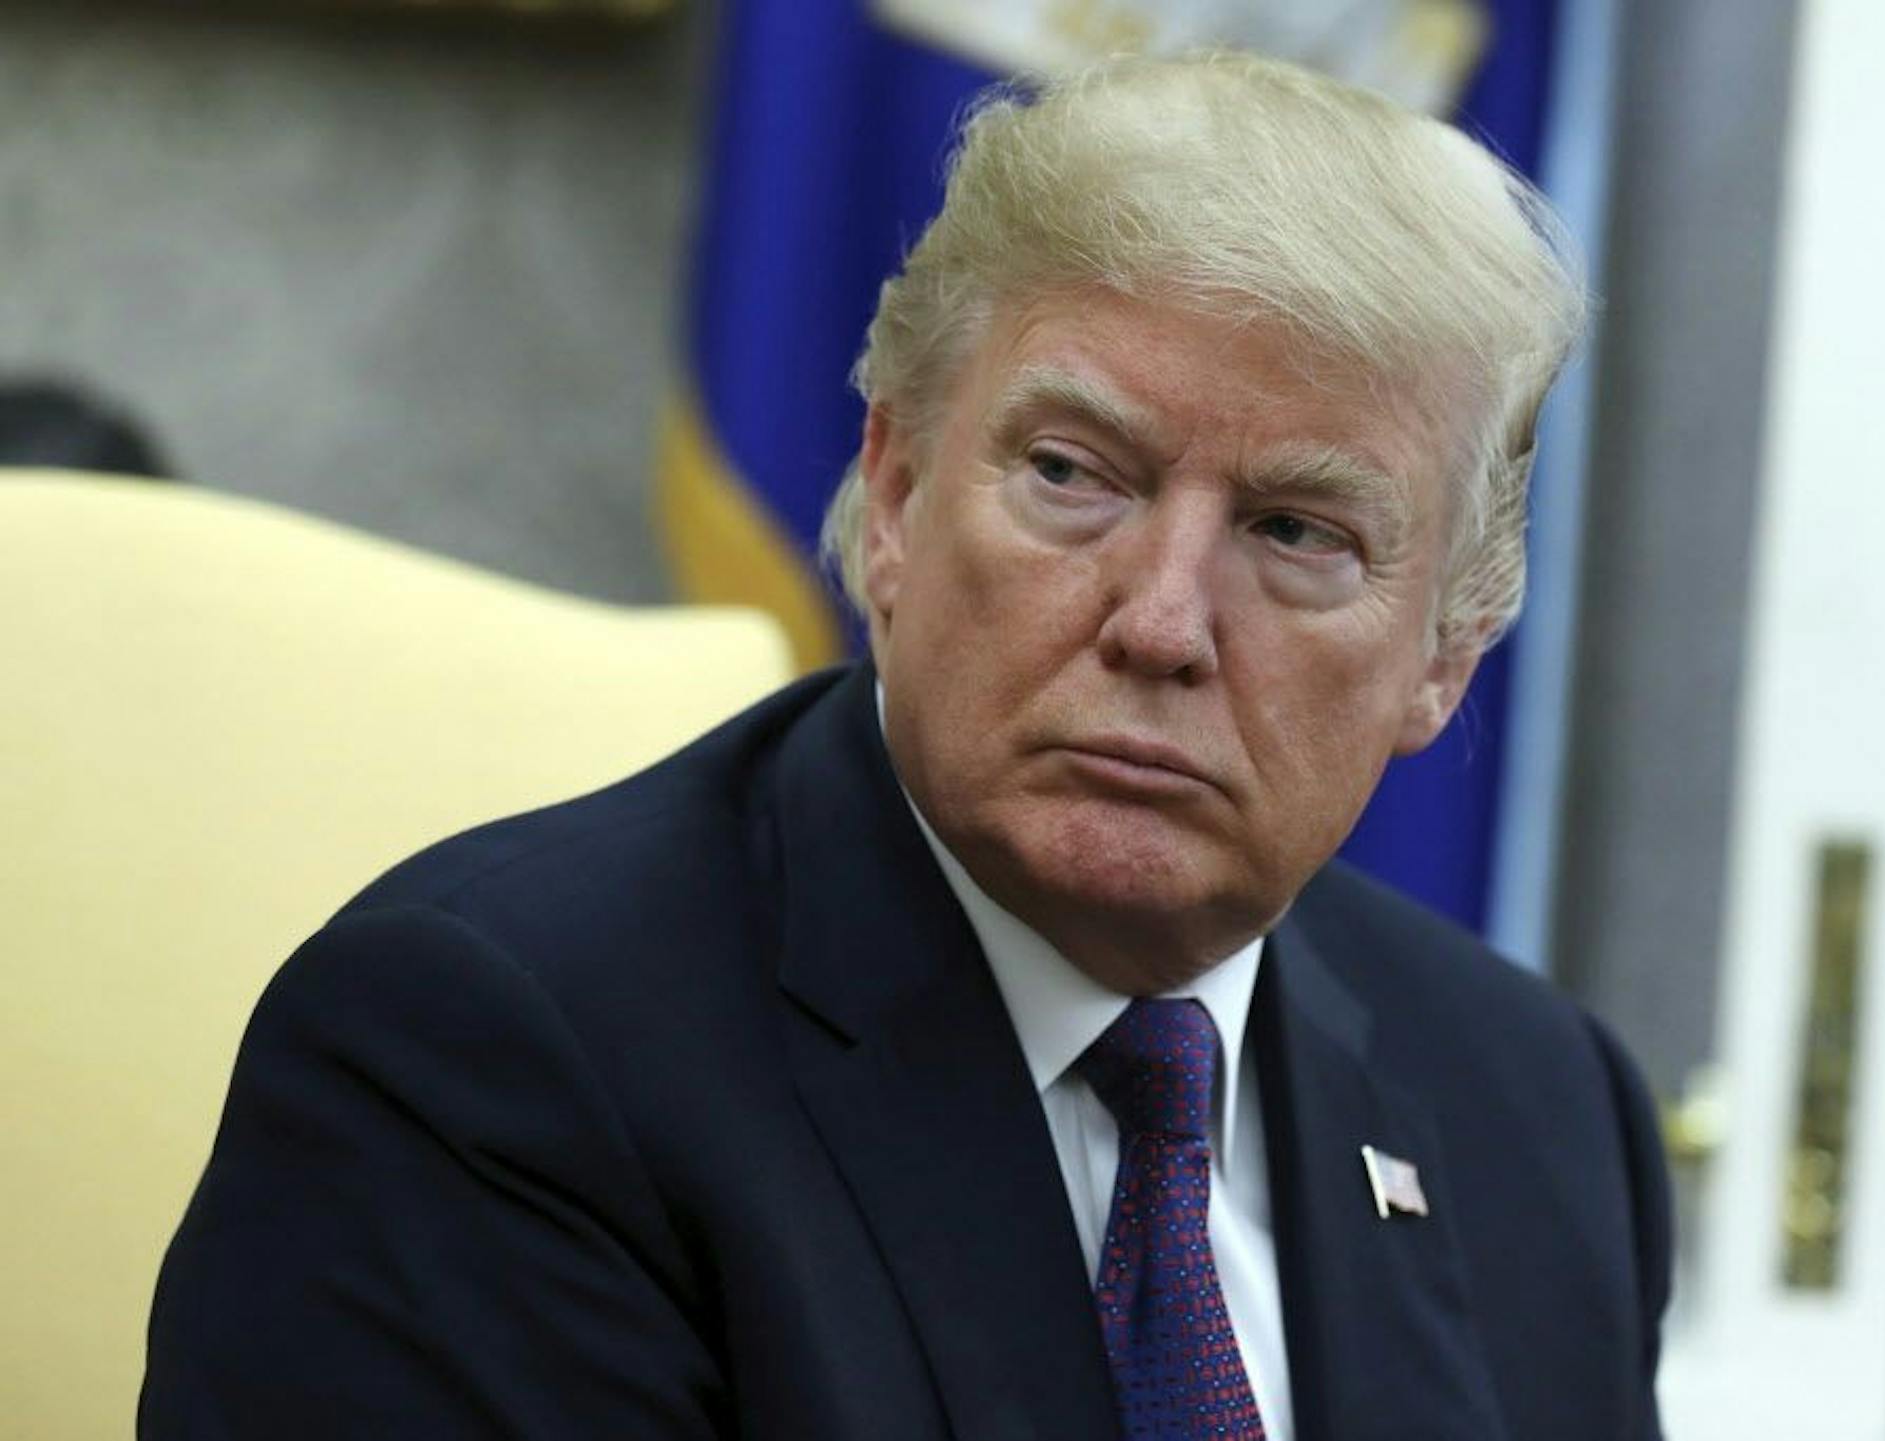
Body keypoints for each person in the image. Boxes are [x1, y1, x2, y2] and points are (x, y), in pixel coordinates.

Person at [141, 51, 1669, 1441]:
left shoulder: (1537, 1113)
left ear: (1448, 655)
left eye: (1296, 531)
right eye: (1074, 473)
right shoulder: (486, 1062)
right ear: (894, 497)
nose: (1161, 620)